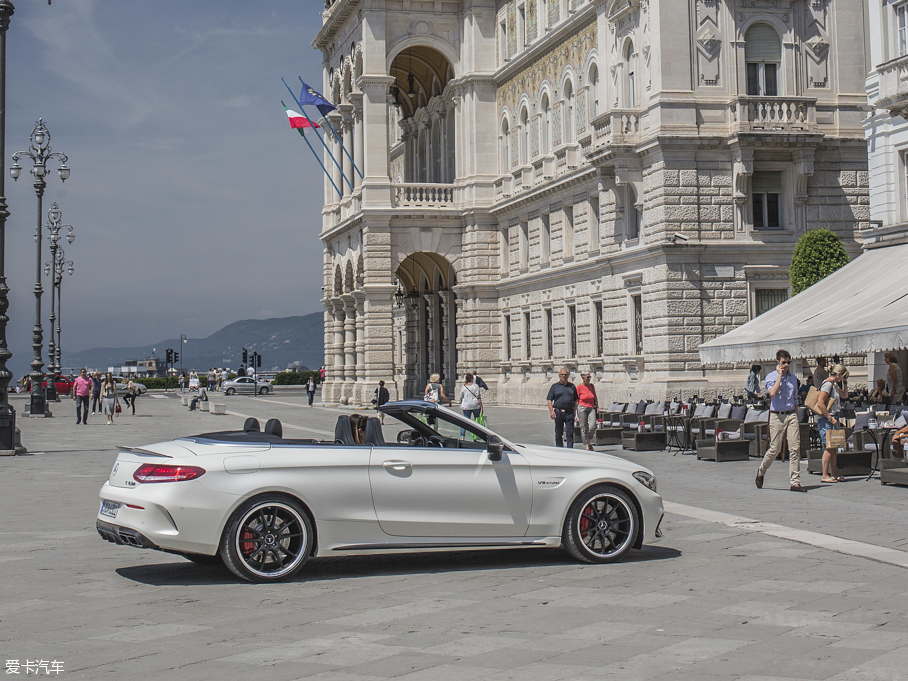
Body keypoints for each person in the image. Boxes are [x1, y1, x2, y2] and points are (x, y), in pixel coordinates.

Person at [756, 350, 805, 492]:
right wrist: (779, 375)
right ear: (778, 362)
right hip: (777, 416)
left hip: (791, 415)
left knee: (795, 448)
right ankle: (761, 470)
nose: (786, 365)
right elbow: (773, 393)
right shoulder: (771, 376)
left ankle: (795, 482)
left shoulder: (793, 379)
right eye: (783, 362)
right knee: (775, 448)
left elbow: (795, 399)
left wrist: (795, 415)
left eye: (788, 362)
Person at [816, 364, 849, 483]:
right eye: (843, 376)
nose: (843, 378)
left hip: (834, 416)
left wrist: (845, 383)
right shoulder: (828, 384)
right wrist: (830, 418)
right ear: (839, 374)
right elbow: (820, 403)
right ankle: (825, 474)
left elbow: (845, 395)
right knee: (829, 447)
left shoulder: (834, 384)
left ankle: (834, 473)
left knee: (834, 446)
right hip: (827, 418)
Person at [547, 367, 578, 449]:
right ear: (559, 376)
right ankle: (559, 450)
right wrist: (551, 412)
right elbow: (549, 400)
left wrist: (574, 413)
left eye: (565, 374)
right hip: (558, 413)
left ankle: (570, 451)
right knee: (558, 433)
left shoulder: (572, 386)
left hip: (569, 413)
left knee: (570, 433)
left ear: (568, 376)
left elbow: (575, 401)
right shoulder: (554, 387)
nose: (563, 376)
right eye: (562, 374)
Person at [576, 373, 598, 451]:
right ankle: (586, 444)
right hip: (582, 407)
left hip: (591, 407)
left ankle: (589, 440)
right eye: (587, 377)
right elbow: (576, 399)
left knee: (592, 426)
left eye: (590, 377)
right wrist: (575, 411)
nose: (589, 378)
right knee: (583, 426)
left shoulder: (591, 386)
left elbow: (595, 396)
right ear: (583, 378)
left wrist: (597, 407)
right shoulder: (579, 387)